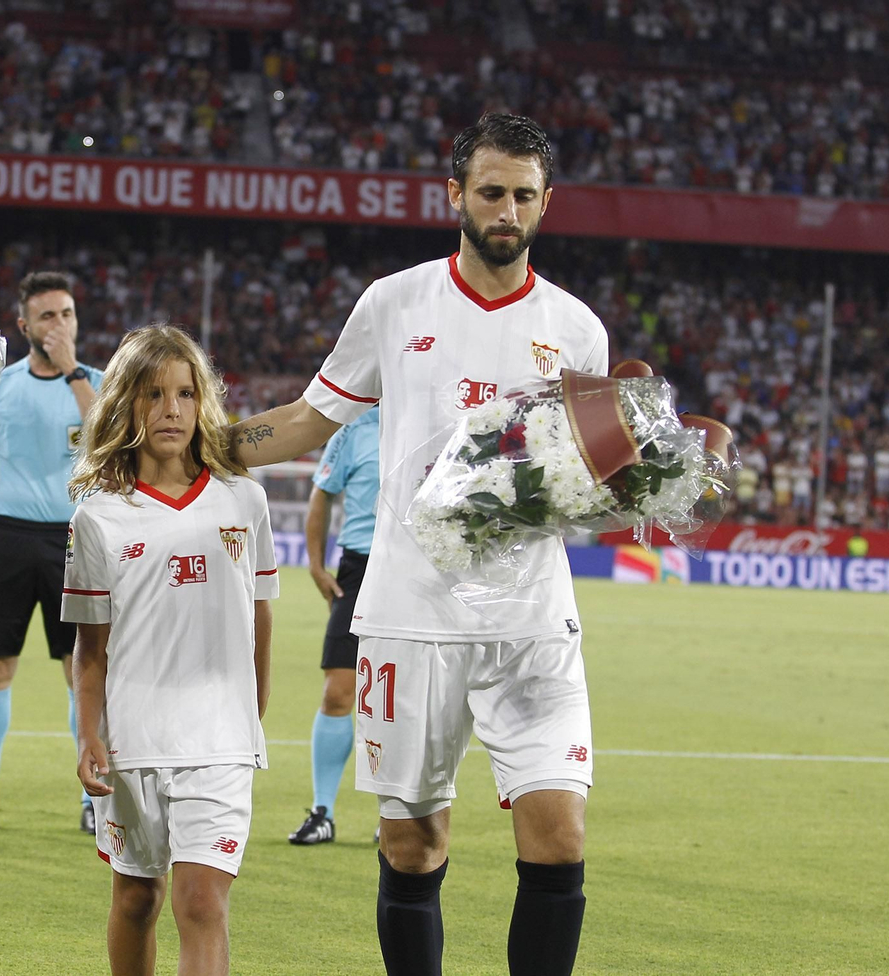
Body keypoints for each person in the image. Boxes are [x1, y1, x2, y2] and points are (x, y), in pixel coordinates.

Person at [230, 113, 608, 976]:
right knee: (411, 841)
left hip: (531, 620)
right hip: (410, 616)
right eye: (490, 192)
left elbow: (580, 480)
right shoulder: (394, 303)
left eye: (523, 194)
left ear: (546, 203)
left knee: (558, 833)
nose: (506, 209)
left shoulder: (578, 329)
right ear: (455, 196)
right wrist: (196, 447)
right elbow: (304, 419)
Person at [64, 325, 277, 976]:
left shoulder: (244, 499)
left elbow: (260, 618)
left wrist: (249, 719)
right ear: (125, 403)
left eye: (186, 393)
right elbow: (91, 646)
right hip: (134, 738)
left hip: (219, 740)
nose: (172, 409)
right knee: (136, 897)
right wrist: (89, 734)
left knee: (201, 902)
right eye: (153, 394)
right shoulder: (98, 517)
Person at [0, 270, 103, 831]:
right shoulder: (1, 387)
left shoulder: (98, 383)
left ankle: (93, 797)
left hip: (77, 540)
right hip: (9, 539)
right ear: (23, 326)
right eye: (47, 316)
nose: (59, 325)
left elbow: (108, 442)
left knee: (81, 670)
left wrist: (71, 373)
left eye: (66, 314)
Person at [290, 404, 379, 846]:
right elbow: (322, 491)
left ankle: (401, 812)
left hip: (419, 572)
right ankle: (322, 811)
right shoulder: (356, 430)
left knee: (408, 699)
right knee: (338, 690)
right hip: (359, 569)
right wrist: (315, 564)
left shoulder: (438, 418)